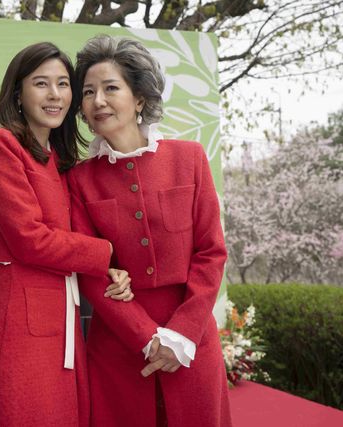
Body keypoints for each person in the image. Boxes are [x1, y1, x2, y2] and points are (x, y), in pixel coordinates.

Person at [68, 35, 232, 427]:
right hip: (120, 349)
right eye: (88, 92)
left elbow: (211, 252)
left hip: (191, 343)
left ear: (140, 98)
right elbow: (92, 271)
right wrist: (147, 338)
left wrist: (181, 336)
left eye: (111, 88)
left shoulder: (189, 158)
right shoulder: (79, 179)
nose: (98, 101)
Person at [0, 42, 133, 427]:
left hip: (63, 317)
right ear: (18, 92)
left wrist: (111, 270)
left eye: (63, 84)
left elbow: (71, 236)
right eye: (41, 83)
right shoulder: (1, 146)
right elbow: (29, 238)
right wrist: (105, 253)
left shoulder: (62, 162)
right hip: (19, 321)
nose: (55, 94)